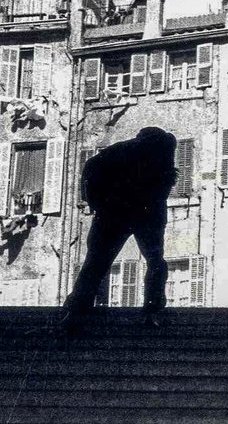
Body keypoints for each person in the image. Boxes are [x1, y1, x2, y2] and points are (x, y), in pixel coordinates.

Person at [60, 126, 178, 328]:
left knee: (96, 263)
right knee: (155, 261)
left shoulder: (119, 150)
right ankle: (152, 309)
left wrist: (95, 203)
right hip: (141, 213)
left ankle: (76, 309)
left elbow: (90, 169)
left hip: (115, 213)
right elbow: (165, 185)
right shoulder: (162, 150)